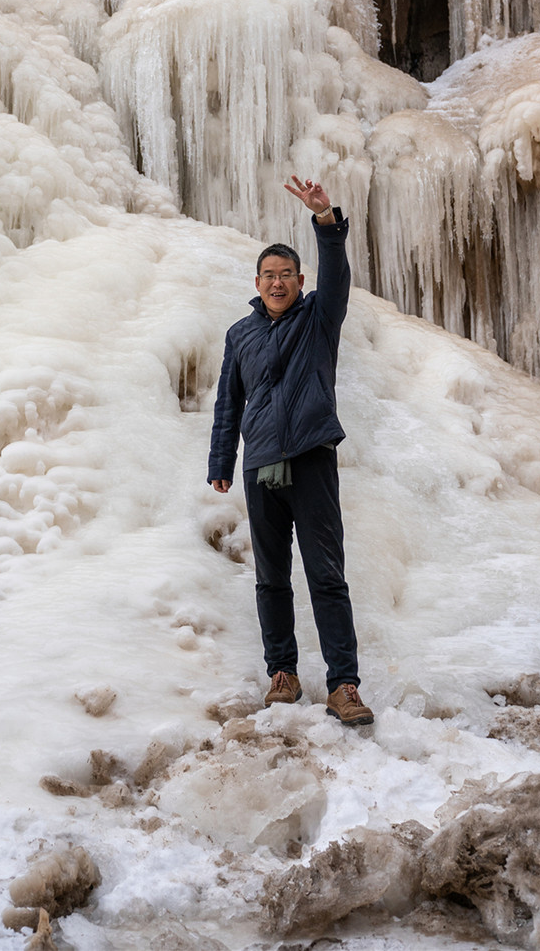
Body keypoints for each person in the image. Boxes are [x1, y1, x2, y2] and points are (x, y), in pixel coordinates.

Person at [207, 175, 373, 726]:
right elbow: (228, 401)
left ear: (300, 281)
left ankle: (343, 685)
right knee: (271, 577)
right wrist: (221, 463)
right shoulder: (240, 334)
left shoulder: (320, 319)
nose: (277, 283)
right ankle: (283, 673)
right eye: (268, 276)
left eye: (287, 275)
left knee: (326, 574)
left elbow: (338, 274)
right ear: (257, 281)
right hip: (259, 466)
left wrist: (325, 221)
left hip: (310, 458)